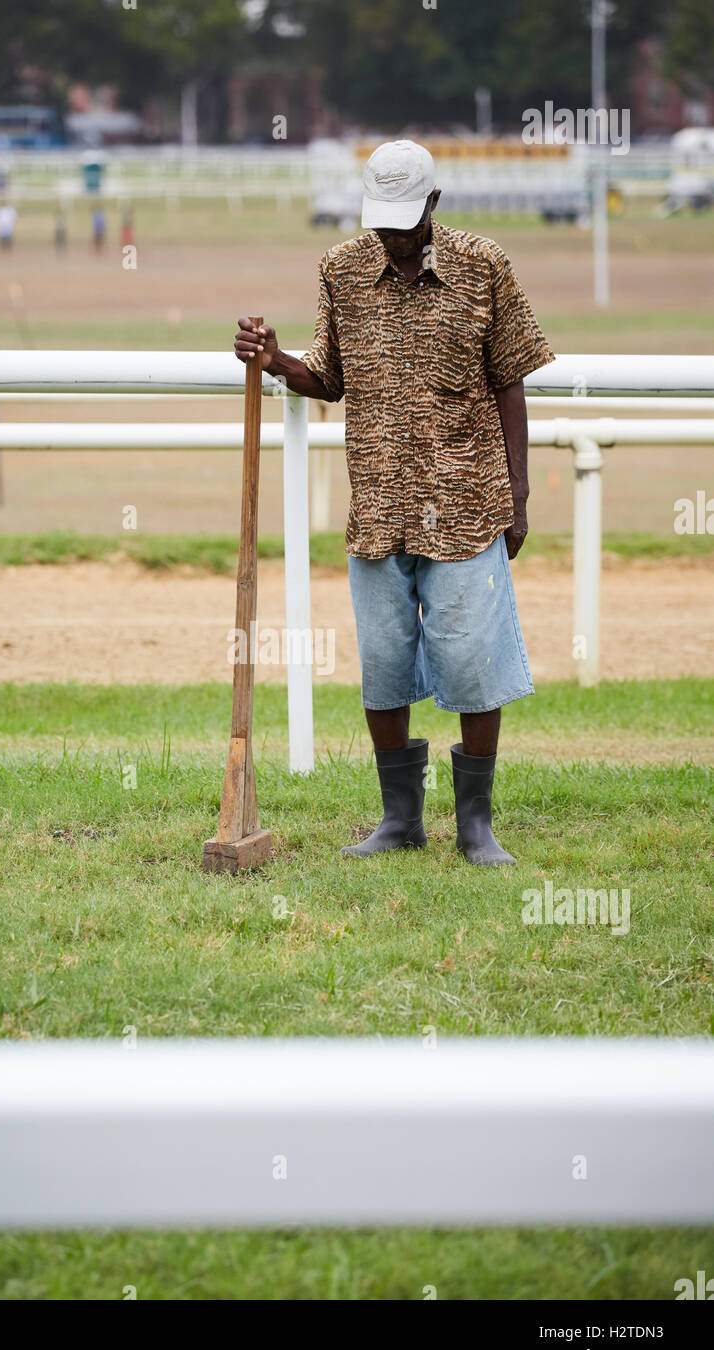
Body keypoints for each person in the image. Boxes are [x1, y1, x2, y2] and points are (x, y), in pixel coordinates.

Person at [234, 140, 554, 867]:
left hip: (468, 497)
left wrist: (518, 491)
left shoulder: (485, 266)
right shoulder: (340, 269)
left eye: (407, 226)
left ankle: (476, 825)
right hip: (377, 501)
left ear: (435, 206)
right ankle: (399, 819)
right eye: (383, 225)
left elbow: (510, 379)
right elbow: (328, 377)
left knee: (472, 659)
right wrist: (277, 360)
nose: (395, 240)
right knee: (382, 662)